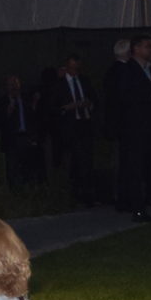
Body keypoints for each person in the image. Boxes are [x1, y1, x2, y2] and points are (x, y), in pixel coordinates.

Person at [105, 35, 151, 217]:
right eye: (147, 46)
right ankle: (137, 207)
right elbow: (124, 97)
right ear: (136, 49)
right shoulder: (126, 70)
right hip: (134, 128)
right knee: (135, 167)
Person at [45, 53, 98, 203]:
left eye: (77, 68)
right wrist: (68, 107)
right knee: (74, 161)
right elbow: (52, 108)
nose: (75, 71)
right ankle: (74, 194)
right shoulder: (59, 85)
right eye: (72, 68)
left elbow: (95, 99)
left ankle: (88, 194)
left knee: (87, 160)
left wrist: (89, 104)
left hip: (85, 124)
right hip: (69, 127)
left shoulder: (85, 81)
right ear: (67, 68)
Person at [0, 75, 43, 186]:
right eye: (11, 84)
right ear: (6, 87)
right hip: (11, 140)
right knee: (12, 168)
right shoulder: (2, 102)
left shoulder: (25, 100)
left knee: (28, 166)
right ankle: (15, 191)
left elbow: (34, 119)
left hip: (26, 137)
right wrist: (7, 112)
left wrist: (34, 137)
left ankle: (29, 189)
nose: (13, 87)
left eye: (15, 84)